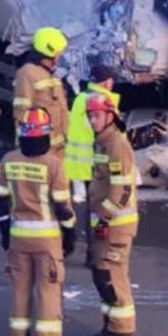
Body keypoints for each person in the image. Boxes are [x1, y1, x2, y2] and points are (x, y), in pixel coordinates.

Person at [0, 108, 77, 336]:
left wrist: (6, 233)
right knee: (48, 290)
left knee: (20, 290)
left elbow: (0, 202)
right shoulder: (53, 165)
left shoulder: (9, 160)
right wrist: (70, 233)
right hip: (47, 239)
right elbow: (62, 207)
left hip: (19, 236)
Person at [84, 91, 139, 336]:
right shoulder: (103, 142)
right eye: (90, 116)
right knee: (101, 273)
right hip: (105, 221)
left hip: (116, 224)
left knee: (110, 274)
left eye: (96, 115)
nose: (92, 121)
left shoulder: (117, 144)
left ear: (109, 116)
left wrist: (104, 218)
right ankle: (112, 323)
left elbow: (122, 189)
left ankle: (121, 328)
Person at [12, 27, 72, 257]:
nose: (60, 57)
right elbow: (21, 112)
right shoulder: (28, 74)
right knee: (40, 197)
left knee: (58, 196)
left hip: (56, 150)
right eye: (58, 53)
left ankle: (58, 237)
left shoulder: (48, 74)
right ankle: (42, 242)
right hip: (40, 151)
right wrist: (26, 148)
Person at [64, 64, 118, 268]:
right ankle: (94, 254)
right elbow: (109, 134)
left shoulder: (80, 99)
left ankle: (77, 247)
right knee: (99, 211)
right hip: (96, 165)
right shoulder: (104, 101)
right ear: (106, 81)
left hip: (78, 165)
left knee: (87, 210)